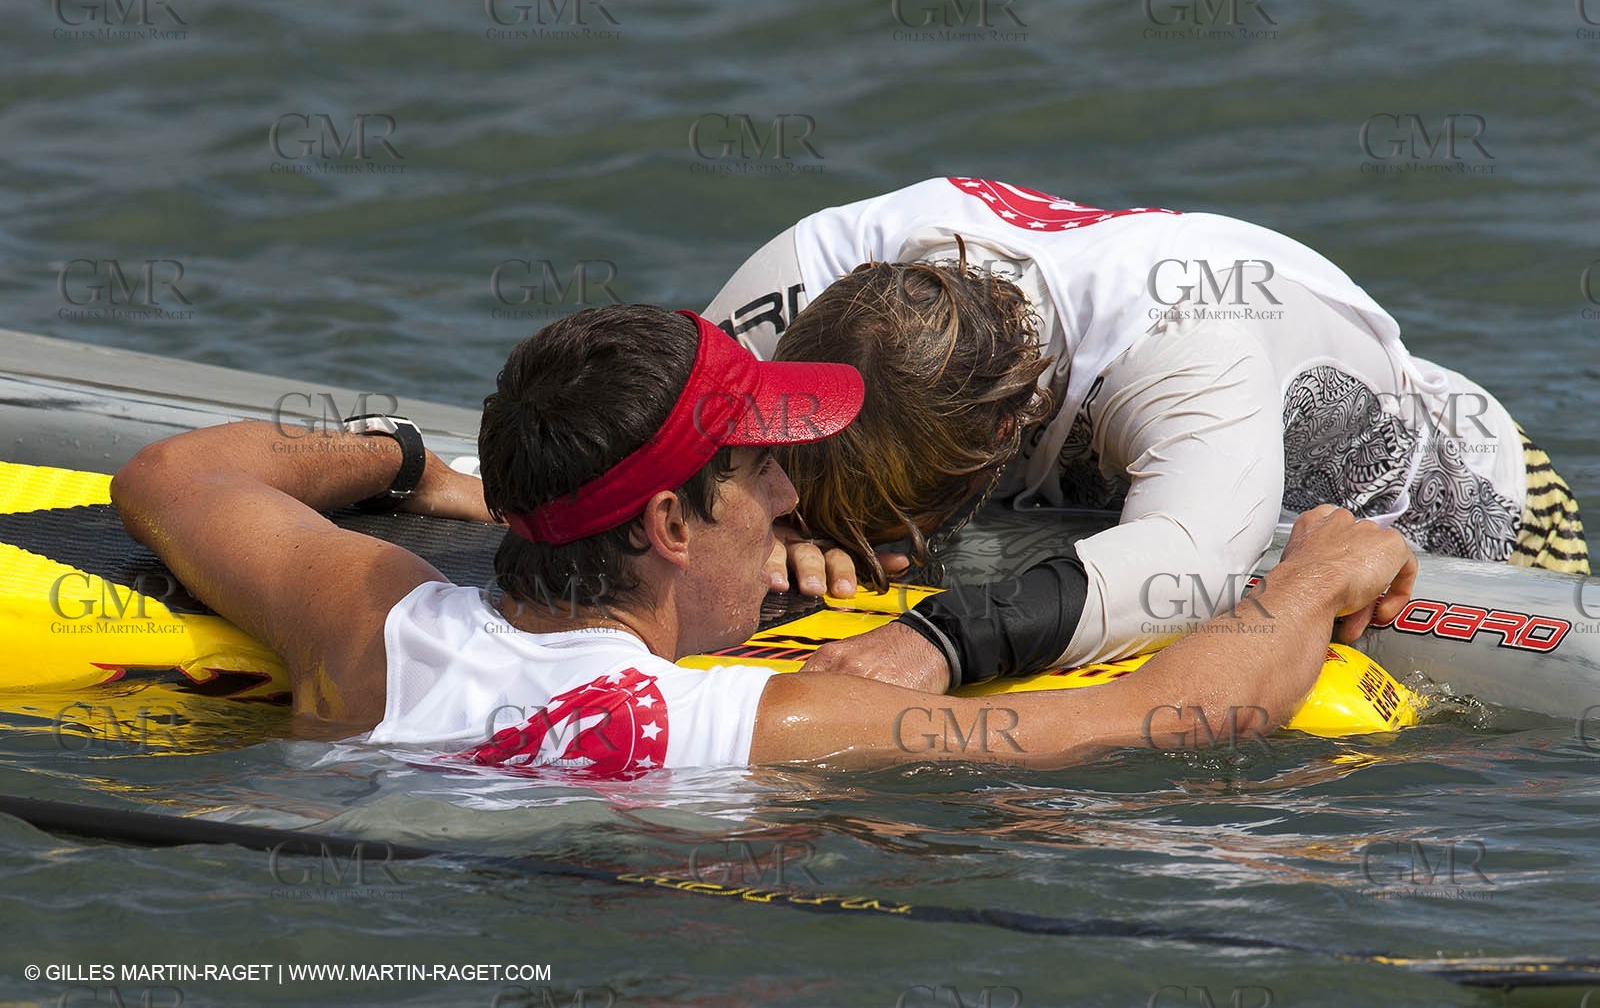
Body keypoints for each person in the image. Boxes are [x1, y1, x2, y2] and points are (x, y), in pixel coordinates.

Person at [111, 304, 1416, 774]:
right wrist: (1309, 574)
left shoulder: (369, 620)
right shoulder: (747, 726)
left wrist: (406, 462)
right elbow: (1162, 719)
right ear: (671, 520)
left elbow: (178, 469)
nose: (795, 502)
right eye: (758, 479)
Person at [703, 176, 1587, 688]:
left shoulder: (1186, 347)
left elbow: (1183, 576)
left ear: (1005, 434)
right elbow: (636, 436)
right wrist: (770, 527)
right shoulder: (818, 263)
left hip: (1469, 528)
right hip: (1163, 504)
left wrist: (929, 645)